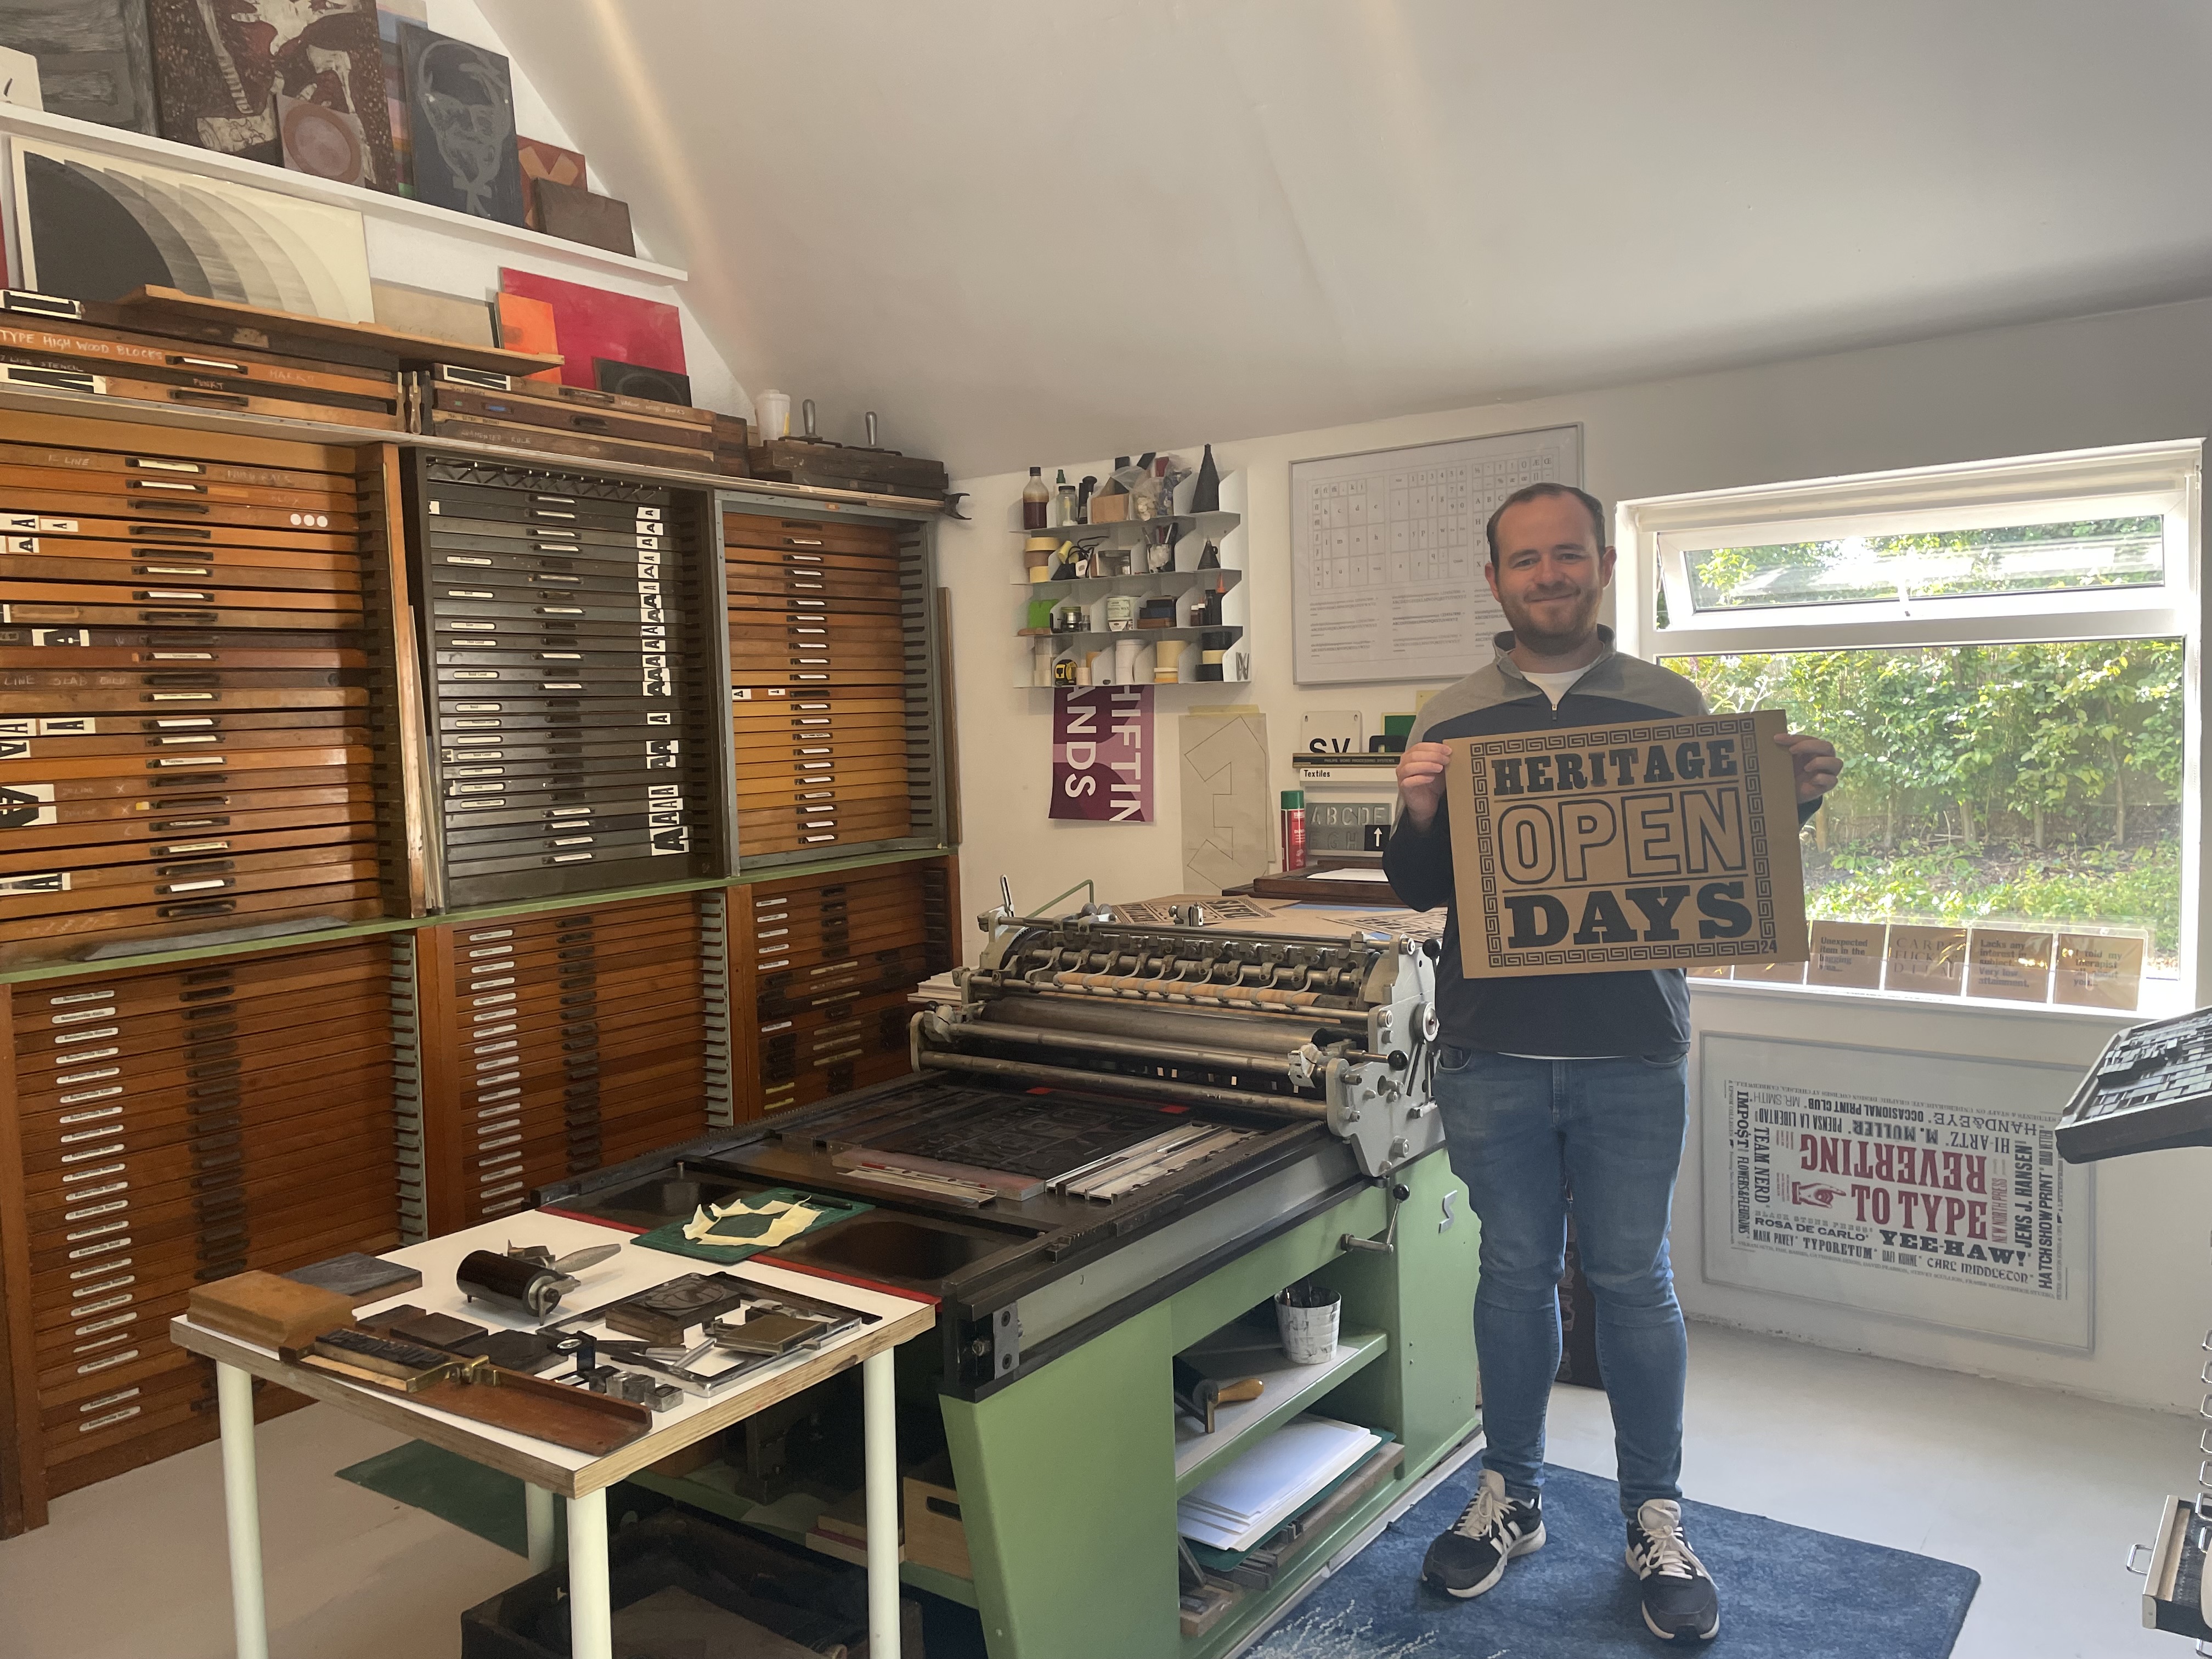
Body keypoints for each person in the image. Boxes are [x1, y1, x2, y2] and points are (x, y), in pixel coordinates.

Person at [1383, 481, 1841, 1644]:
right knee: (1512, 1274)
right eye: (1525, 559)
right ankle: (1515, 1497)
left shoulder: (1667, 701)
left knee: (1632, 1281)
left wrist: (1790, 806)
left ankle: (1654, 1514)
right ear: (1493, 579)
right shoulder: (1450, 716)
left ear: (1599, 569)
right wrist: (1418, 812)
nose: (1548, 575)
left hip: (1632, 1048)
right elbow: (1421, 892)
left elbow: (1719, 858)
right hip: (1492, 1052)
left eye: (1568, 556)